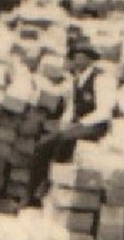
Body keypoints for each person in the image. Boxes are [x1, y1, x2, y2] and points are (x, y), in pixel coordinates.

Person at [29, 40, 117, 198]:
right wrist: (65, 123)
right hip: (78, 125)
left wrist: (78, 125)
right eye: (75, 56)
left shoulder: (101, 79)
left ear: (90, 59)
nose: (76, 60)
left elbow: (104, 111)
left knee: (64, 140)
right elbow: (71, 107)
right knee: (45, 143)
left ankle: (50, 184)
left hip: (96, 126)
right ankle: (34, 191)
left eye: (81, 56)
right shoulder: (75, 80)